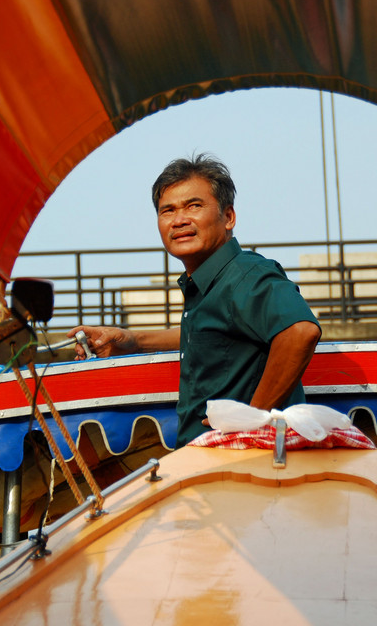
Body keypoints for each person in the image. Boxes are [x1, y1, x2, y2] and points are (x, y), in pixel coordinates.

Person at [69, 153, 321, 446]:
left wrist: (253, 419)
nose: (179, 220)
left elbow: (300, 331)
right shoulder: (206, 286)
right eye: (167, 211)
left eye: (194, 206)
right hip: (206, 462)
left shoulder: (245, 274)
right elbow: (208, 336)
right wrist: (132, 340)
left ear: (228, 217)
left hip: (241, 464)